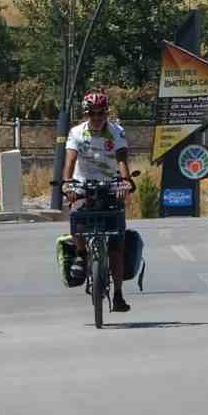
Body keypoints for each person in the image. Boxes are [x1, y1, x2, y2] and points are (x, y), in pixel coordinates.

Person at [62, 91, 133, 312]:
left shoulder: (116, 131)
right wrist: (68, 184)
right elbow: (70, 161)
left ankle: (119, 294)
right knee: (77, 218)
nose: (96, 117)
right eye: (92, 113)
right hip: (84, 184)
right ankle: (82, 255)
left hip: (110, 185)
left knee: (116, 245)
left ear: (106, 113)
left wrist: (124, 182)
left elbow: (122, 159)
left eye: (100, 113)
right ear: (86, 114)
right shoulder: (76, 133)